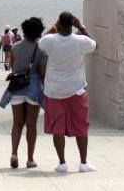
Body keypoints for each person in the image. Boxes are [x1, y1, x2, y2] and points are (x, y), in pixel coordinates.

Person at [38, 11, 97, 173]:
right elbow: (95, 45)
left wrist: (54, 26)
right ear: (72, 24)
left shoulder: (51, 40)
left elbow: (41, 41)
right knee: (81, 125)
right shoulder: (80, 41)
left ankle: (62, 163)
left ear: (59, 24)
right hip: (76, 90)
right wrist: (82, 27)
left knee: (57, 127)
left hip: (54, 91)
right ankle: (83, 162)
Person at [0, 17, 47, 169]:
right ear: (39, 31)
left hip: (17, 87)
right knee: (31, 125)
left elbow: (14, 69)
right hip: (33, 88)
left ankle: (14, 153)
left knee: (17, 124)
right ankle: (30, 159)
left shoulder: (15, 47)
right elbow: (42, 73)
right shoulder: (41, 49)